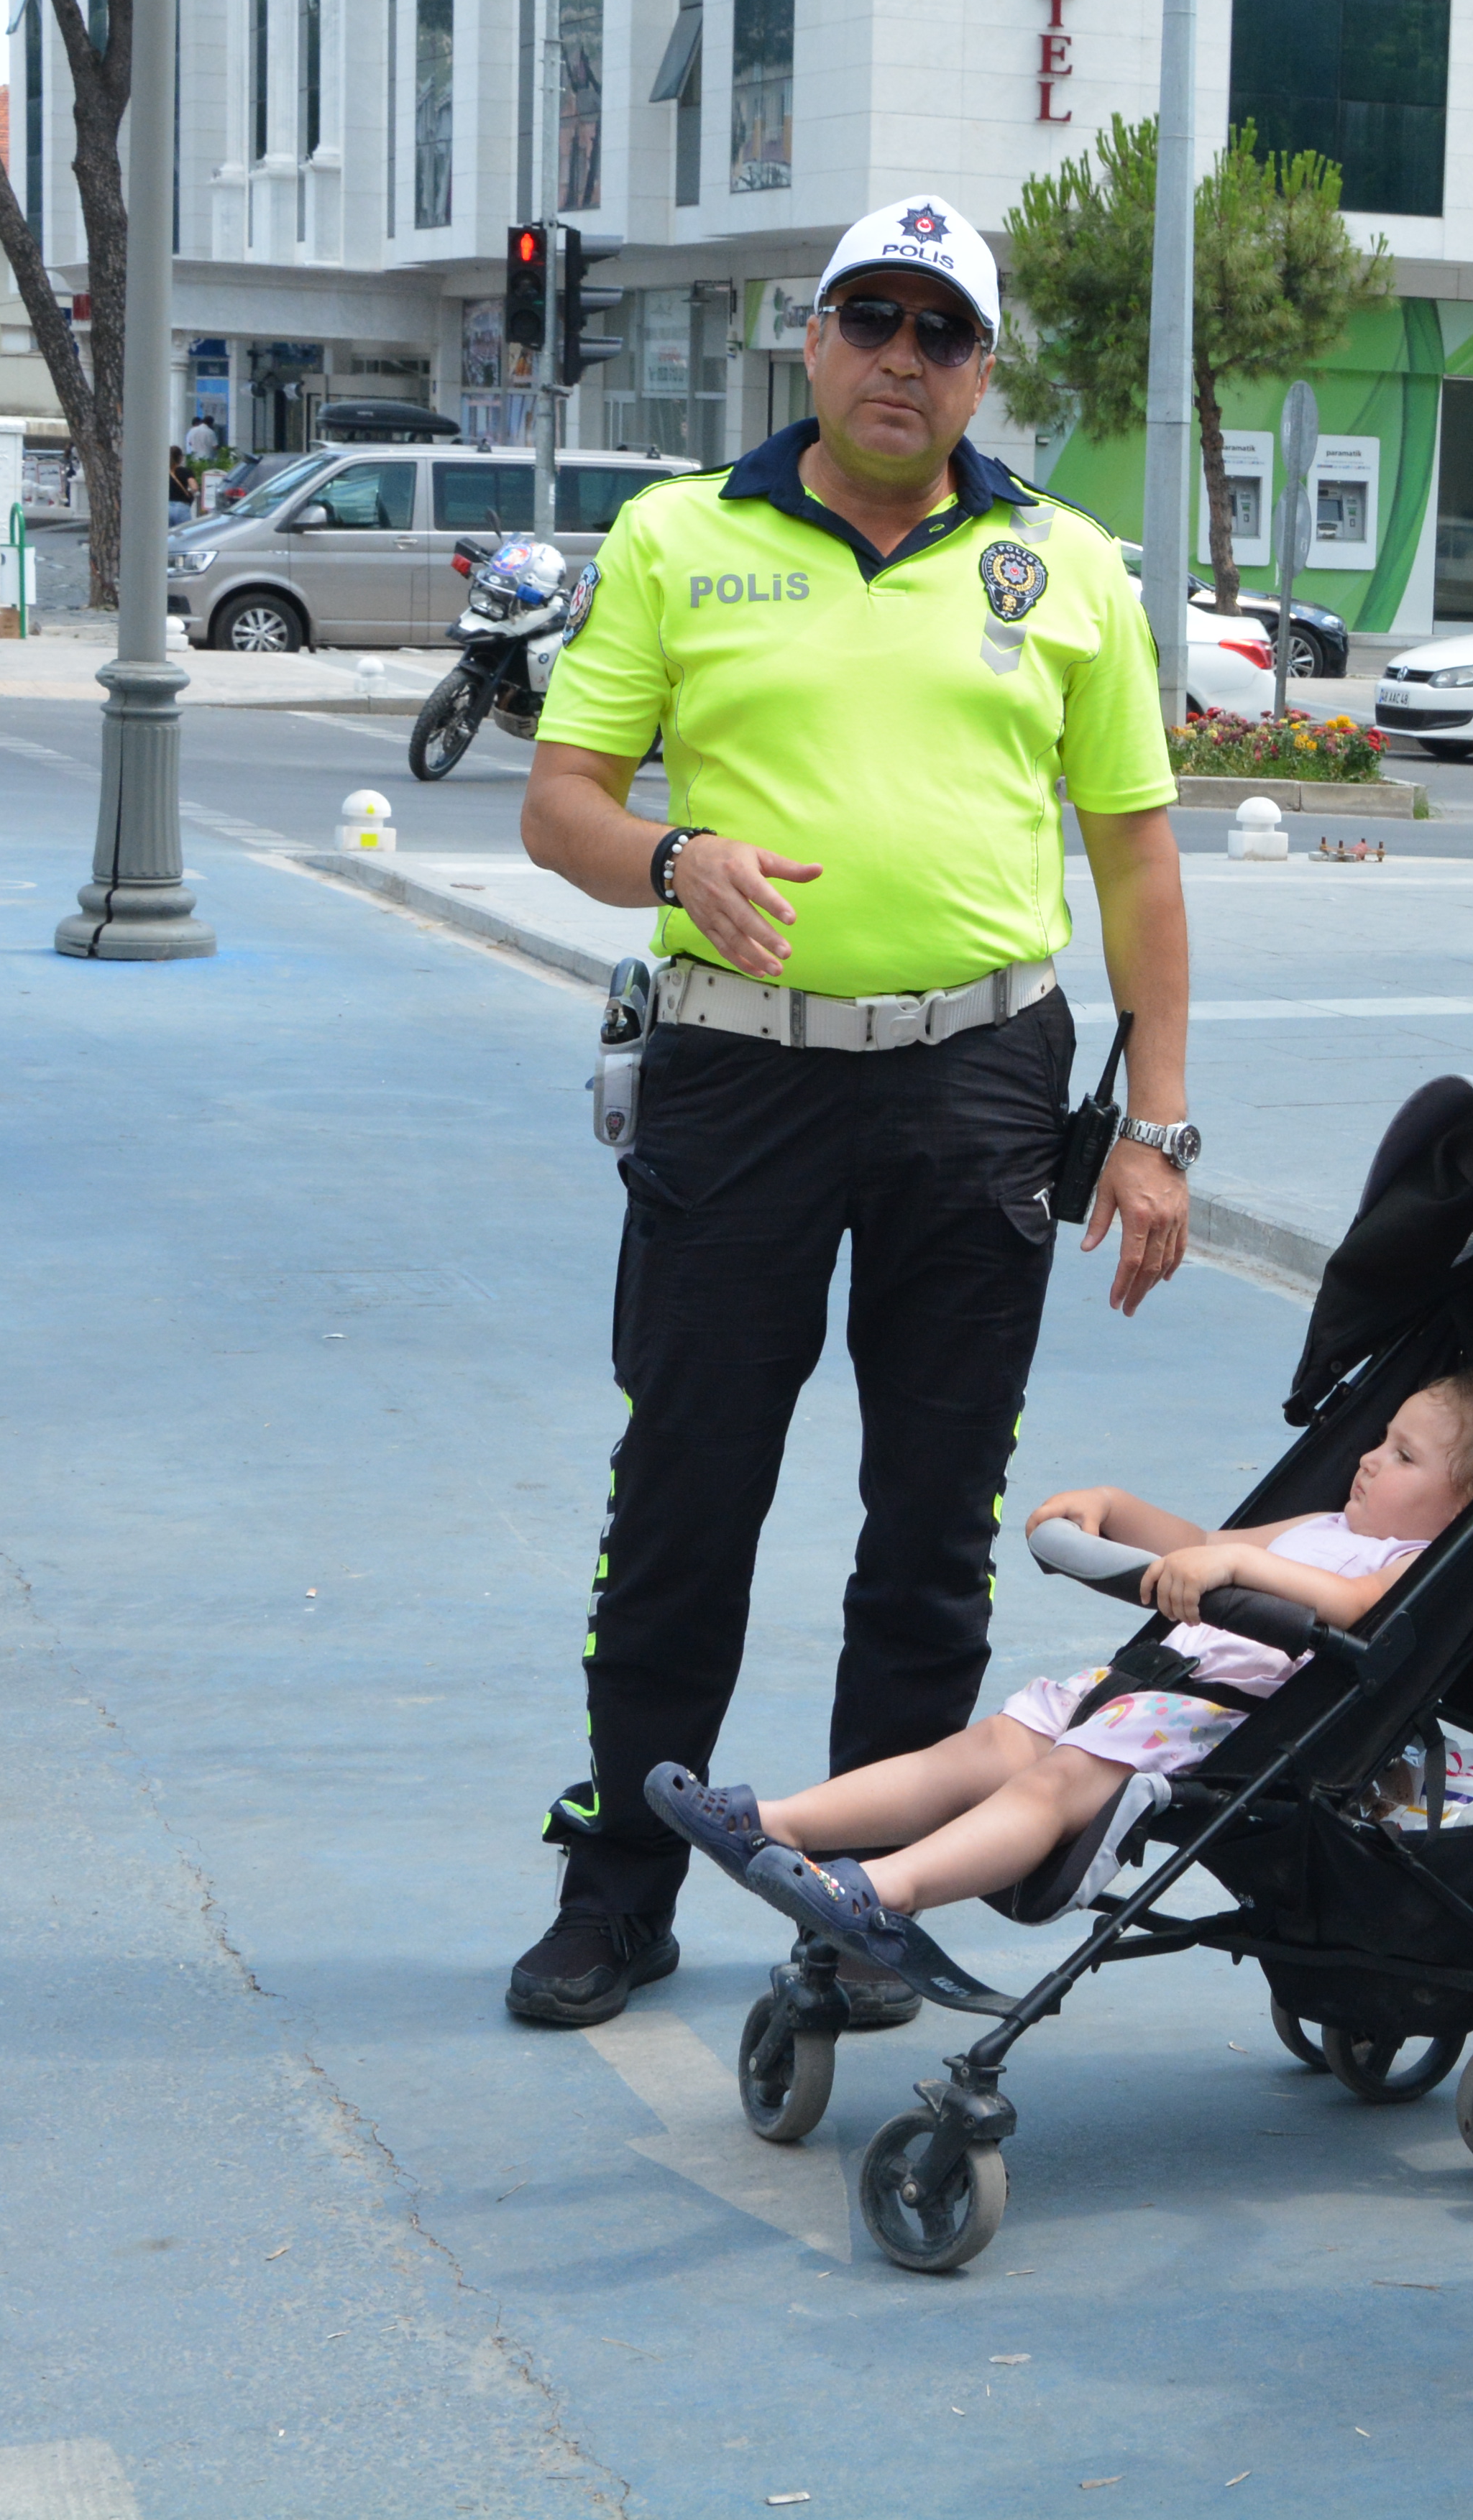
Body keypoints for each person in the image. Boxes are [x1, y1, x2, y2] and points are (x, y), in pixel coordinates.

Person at [503, 193, 1197, 2030]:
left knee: (933, 1509)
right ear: (808, 340)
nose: (903, 359)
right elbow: (560, 802)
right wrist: (673, 852)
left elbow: (1134, 858)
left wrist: (1159, 1120)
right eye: (869, 320)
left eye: (940, 332)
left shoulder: (1069, 567)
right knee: (686, 1489)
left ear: (983, 369)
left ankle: (860, 1897)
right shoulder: (678, 535)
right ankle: (623, 1876)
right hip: (740, 1070)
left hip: (979, 1077)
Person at [643, 1371, 1473, 1979]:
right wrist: (1115, 1509)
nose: (1372, 1459)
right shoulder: (1327, 1520)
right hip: (1152, 1686)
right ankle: (775, 1823)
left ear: (1459, 1504)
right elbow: (1201, 1543)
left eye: (1406, 1457)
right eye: (1383, 1438)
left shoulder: (1414, 1561)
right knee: (986, 1746)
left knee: (1053, 1781)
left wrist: (1243, 1565)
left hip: (1232, 1724)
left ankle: (881, 1891)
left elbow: (1351, 1607)